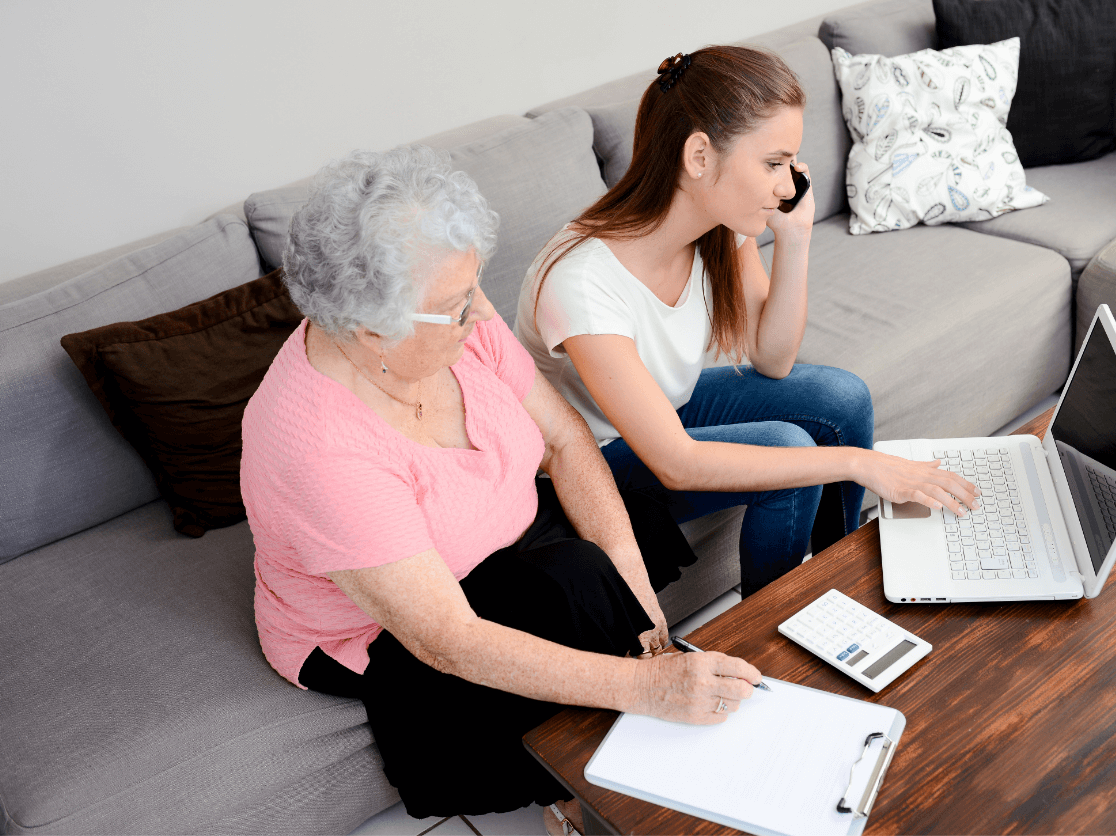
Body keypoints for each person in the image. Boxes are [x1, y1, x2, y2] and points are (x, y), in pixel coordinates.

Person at [239, 146, 763, 832]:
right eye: (457, 306)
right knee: (577, 585)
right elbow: (446, 638)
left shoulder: (452, 321)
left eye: (473, 288)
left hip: (494, 536)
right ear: (373, 333)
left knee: (611, 552)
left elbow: (566, 439)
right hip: (385, 630)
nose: (481, 315)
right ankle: (582, 795)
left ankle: (634, 745)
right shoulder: (316, 449)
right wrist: (649, 684)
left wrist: (645, 617)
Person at [516, 47, 980, 598]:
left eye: (791, 165)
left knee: (842, 397)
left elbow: (773, 357)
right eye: (773, 163)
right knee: (790, 447)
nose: (788, 187)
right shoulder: (582, 281)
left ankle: (838, 580)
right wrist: (863, 464)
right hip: (593, 465)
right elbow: (675, 463)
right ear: (699, 157)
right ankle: (776, 627)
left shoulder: (718, 222)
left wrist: (795, 237)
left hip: (666, 411)